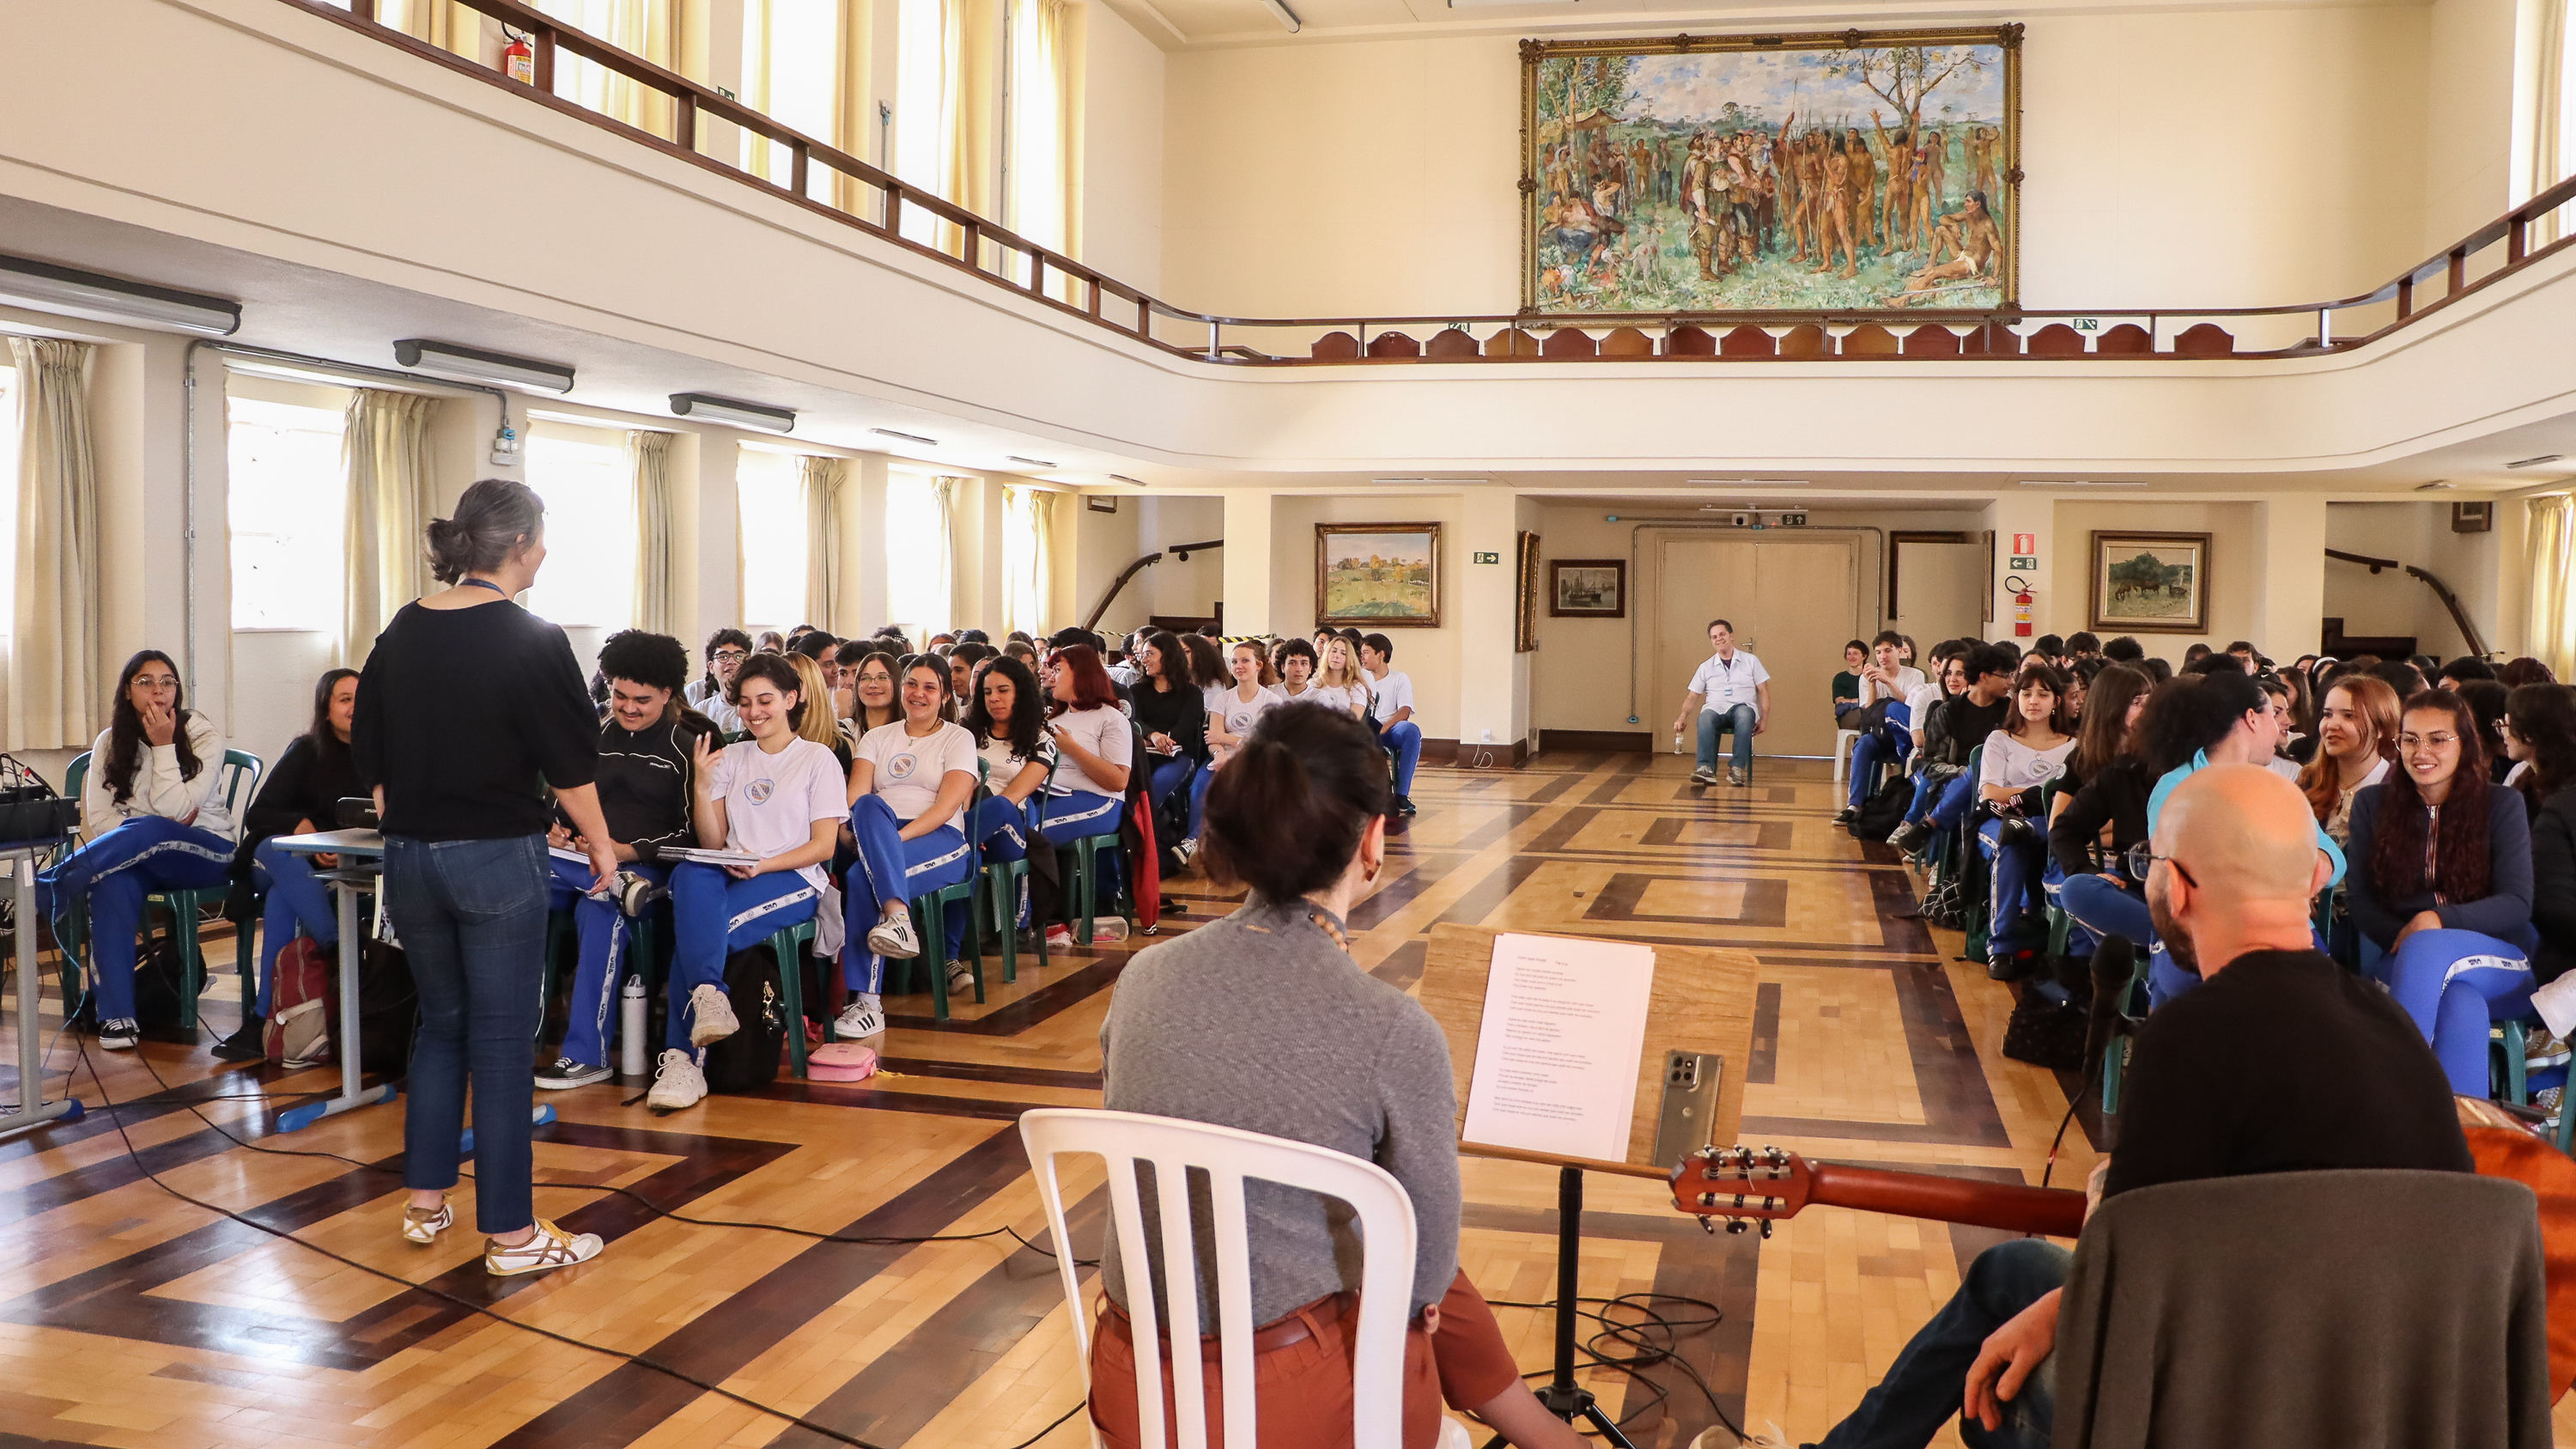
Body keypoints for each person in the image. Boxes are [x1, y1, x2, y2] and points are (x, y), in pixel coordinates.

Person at [1705, 766, 2475, 1449]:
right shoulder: (2390, 1025)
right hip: (2375, 1402)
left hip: (2222, 1411)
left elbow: (2139, 1280)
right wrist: (2060, 1303)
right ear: (2310, 877)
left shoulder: (2195, 1036)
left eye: (2148, 864)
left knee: (1993, 1391)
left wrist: (2067, 1303)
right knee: (2015, 1274)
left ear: (2176, 887)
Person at [1093, 701, 1587, 1449]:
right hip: (1290, 1405)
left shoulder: (1142, 978)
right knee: (1410, 1252)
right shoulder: (1392, 1029)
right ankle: (1549, 1435)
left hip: (1133, 1388)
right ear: (1372, 839)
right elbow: (1424, 1280)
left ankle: (1543, 1433)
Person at [349, 478, 617, 1274]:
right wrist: (602, 845)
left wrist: (406, 818)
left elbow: (370, 747)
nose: (546, 551)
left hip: (409, 857)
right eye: (543, 538)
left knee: (442, 1025)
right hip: (495, 855)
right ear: (520, 544)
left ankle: (426, 1201)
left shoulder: (404, 626)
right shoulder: (532, 637)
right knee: (501, 1041)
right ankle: (512, 1235)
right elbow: (569, 766)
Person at [647, 654, 844, 1111]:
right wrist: (701, 786)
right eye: (745, 702)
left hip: (793, 876)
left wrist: (764, 864)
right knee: (690, 870)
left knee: (700, 936)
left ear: (791, 699)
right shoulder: (733, 756)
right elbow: (713, 841)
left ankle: (683, 1060)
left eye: (765, 700)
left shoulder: (817, 759)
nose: (754, 712)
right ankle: (709, 999)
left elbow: (823, 847)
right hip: (734, 870)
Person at [38, 650, 241, 1051]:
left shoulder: (201, 734)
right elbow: (100, 817)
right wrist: (142, 834)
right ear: (128, 692)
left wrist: (164, 746)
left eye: (167, 682)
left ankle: (51, 888)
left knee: (150, 828)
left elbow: (176, 813)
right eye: (145, 682)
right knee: (113, 883)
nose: (158, 691)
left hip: (208, 852)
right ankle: (117, 1017)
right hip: (140, 855)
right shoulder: (110, 741)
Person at [535, 630, 712, 1093]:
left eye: (642, 700)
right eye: (620, 696)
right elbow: (556, 806)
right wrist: (558, 832)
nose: (628, 708)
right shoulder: (590, 736)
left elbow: (692, 835)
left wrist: (624, 852)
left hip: (647, 873)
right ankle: (503, 1040)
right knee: (516, 870)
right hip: (581, 864)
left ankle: (585, 1056)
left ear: (667, 694)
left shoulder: (687, 747)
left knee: (600, 907)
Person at [2346, 689, 2537, 1095]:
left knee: (2428, 947)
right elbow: (2360, 901)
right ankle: (2462, 1131)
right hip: (2403, 959)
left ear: (2464, 743)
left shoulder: (2501, 804)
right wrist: (2404, 937)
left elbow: (2517, 904)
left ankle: (2387, 1100)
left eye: (2437, 739)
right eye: (2410, 739)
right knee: (2459, 1007)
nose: (2421, 752)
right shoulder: (2372, 804)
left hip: (2499, 961)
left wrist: (2435, 920)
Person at [220, 667, 361, 1059]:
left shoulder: (382, 754)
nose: (355, 707)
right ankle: (336, 947)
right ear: (326, 708)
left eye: (362, 699)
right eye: (345, 699)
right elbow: (259, 813)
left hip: (345, 866)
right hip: (289, 860)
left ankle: (261, 1020)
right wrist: (303, 829)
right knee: (278, 851)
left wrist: (340, 848)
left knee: (283, 899)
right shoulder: (306, 751)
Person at [841, 654, 980, 1029]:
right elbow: (855, 797)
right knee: (868, 805)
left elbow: (947, 807)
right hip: (881, 830)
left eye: (930, 687)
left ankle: (868, 1004)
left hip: (940, 836)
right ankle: (899, 918)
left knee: (860, 878)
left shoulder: (958, 738)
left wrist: (889, 842)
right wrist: (877, 838)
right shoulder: (876, 737)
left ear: (945, 696)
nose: (918, 694)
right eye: (912, 684)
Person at [2045, 663, 2157, 962]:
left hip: (2147, 871)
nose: (2147, 711)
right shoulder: (2088, 761)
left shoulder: (2160, 760)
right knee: (2083, 889)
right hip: (2114, 866)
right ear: (2112, 707)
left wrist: (2113, 829)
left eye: (2149, 701)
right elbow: (2060, 827)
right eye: (2137, 702)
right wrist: (2088, 867)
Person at [1975, 663, 2077, 978]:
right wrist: (2043, 793)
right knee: (2011, 843)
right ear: (2016, 698)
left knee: (2059, 838)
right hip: (2001, 820)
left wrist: (2030, 797)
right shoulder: (2000, 739)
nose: (2033, 701)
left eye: (2043, 695)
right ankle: (2001, 948)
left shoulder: (2074, 745)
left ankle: (2069, 950)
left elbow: (2076, 798)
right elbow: (1991, 793)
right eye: (2026, 693)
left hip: (2051, 822)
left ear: (2056, 701)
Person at [1037, 643, 1135, 947]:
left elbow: (1118, 780)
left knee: (1031, 834)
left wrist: (1073, 749)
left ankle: (1038, 920)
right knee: (1012, 826)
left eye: (1058, 670)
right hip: (1051, 795)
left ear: (1080, 675)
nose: (1051, 676)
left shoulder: (1110, 718)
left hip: (1099, 801)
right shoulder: (1052, 719)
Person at [960, 654, 1055, 941]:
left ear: (1020, 693)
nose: (994, 699)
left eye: (1003, 690)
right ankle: (960, 942)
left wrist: (975, 825)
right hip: (970, 825)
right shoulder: (966, 732)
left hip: (1010, 829)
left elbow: (1014, 796)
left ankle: (957, 838)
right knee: (970, 855)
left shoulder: (1041, 740)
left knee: (999, 804)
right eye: (987, 692)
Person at [1885, 645, 2014, 854]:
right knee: (1973, 775)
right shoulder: (1948, 713)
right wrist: (1964, 773)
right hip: (1952, 780)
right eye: (2006, 676)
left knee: (1979, 770)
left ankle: (1930, 834)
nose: (2011, 682)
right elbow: (1930, 766)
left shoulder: (2011, 713)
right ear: (1984, 676)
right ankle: (1947, 862)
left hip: (2001, 782)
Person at [1185, 640, 1287, 867]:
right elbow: (1212, 738)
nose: (1238, 666)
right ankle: (1197, 845)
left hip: (1256, 760)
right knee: (1200, 786)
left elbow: (1264, 742)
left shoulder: (1271, 700)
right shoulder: (1222, 699)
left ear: (1259, 665)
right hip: (1222, 757)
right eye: (1234, 662)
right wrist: (1219, 755)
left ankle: (1246, 850)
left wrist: (1230, 739)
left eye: (1245, 661)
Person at [2298, 675, 2399, 848]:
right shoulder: (2309, 781)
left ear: (2380, 727)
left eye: (2349, 716)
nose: (2332, 725)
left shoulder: (2399, 786)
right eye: (2328, 714)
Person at [1669, 618, 1771, 788]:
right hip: (1716, 708)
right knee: (1705, 717)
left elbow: (1764, 691)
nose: (1718, 639)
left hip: (1742, 706)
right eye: (1714, 637)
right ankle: (1705, 768)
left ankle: (1737, 768)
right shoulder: (1706, 667)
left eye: (1722, 634)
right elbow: (1692, 696)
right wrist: (1682, 717)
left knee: (1745, 714)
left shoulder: (1751, 661)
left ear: (1731, 636)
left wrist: (1764, 719)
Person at [1838, 631, 1927, 821]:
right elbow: (1868, 715)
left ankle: (1907, 806)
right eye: (1878, 652)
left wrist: (1888, 682)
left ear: (1899, 651)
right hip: (1881, 734)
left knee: (1894, 707)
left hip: (1905, 737)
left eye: (1888, 651)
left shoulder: (1915, 675)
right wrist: (1872, 684)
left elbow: (1913, 709)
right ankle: (1854, 805)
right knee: (1863, 744)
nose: (1883, 656)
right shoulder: (1866, 677)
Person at [1129, 629, 1210, 834]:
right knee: (1128, 785)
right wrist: (1152, 735)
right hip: (1143, 753)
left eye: (1150, 654)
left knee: (1156, 786)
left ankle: (1139, 832)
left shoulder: (1191, 693)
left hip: (1177, 755)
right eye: (1143, 654)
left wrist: (1162, 740)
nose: (1144, 660)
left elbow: (1185, 728)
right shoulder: (1137, 690)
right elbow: (1133, 720)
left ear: (1168, 656)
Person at [1359, 633, 1422, 815]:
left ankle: (1401, 795)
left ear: (1381, 655)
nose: (1362, 657)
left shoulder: (1399, 678)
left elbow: (1405, 710)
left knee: (1412, 731)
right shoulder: (1359, 679)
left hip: (1389, 729)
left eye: (1366, 652)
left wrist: (1385, 727)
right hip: (1365, 728)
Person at [686, 629, 750, 733]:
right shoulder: (701, 711)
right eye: (723, 657)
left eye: (738, 656)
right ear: (711, 667)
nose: (731, 661)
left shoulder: (757, 709)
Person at [1315, 632, 1373, 720]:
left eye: (1343, 653)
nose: (1336, 656)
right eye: (1334, 651)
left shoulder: (1357, 688)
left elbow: (1353, 721)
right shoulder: (1313, 684)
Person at [847, 648, 901, 735]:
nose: (873, 685)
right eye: (865, 678)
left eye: (882, 677)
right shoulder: (846, 729)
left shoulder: (910, 732)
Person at [1832, 639, 1868, 728]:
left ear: (1864, 656)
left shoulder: (1870, 677)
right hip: (1848, 715)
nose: (1851, 657)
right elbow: (1839, 701)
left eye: (1855, 653)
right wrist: (1859, 701)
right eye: (1849, 654)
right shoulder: (1840, 678)